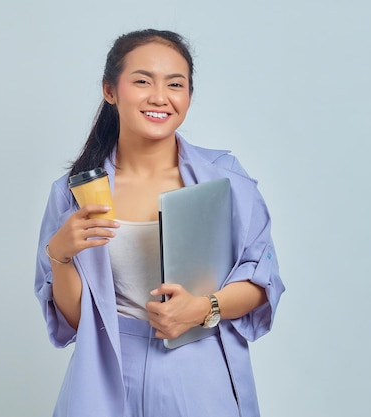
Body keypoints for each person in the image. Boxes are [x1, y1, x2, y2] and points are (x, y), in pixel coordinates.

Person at [34, 29, 285, 417]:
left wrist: (204, 307)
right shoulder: (72, 193)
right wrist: (60, 257)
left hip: (200, 370)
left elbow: (262, 279)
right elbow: (75, 320)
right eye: (142, 81)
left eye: (175, 84)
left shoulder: (224, 179)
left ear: (188, 95)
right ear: (110, 90)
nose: (159, 96)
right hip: (106, 368)